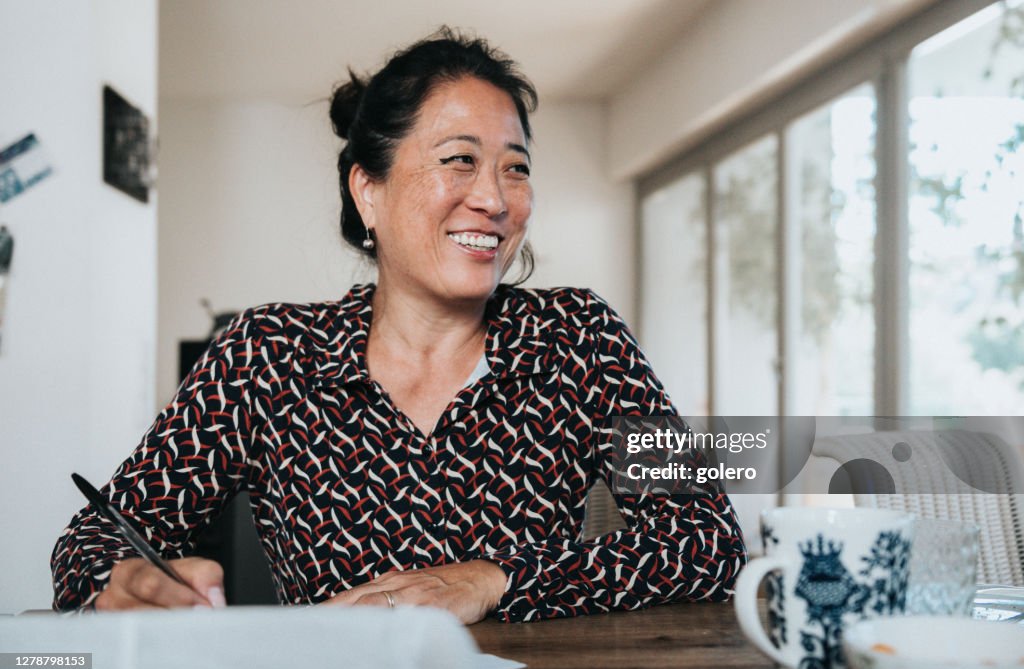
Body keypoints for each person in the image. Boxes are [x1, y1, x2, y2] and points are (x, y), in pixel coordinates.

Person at [51, 28, 746, 624]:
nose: (495, 199)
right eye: (459, 161)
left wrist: (495, 579)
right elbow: (89, 542)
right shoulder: (266, 354)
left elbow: (706, 537)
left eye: (516, 169)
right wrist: (121, 585)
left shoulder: (576, 336)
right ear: (369, 190)